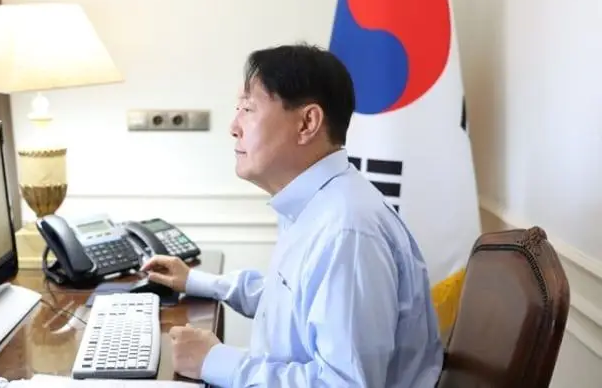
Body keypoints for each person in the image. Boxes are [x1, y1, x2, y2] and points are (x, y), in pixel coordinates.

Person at [140, 43, 444, 387]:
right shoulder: (318, 203)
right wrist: (198, 282)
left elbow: (344, 384)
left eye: (248, 109)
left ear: (307, 123)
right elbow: (289, 299)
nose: (234, 126)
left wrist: (216, 361)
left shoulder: (347, 231)